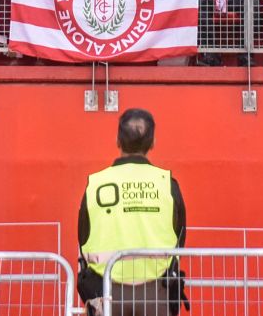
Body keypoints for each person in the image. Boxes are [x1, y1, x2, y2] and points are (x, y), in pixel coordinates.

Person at [76, 108, 187, 316]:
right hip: (157, 292)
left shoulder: (96, 184)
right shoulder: (167, 184)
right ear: (152, 143)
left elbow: (83, 238)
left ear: (117, 140)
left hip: (105, 292)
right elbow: (179, 237)